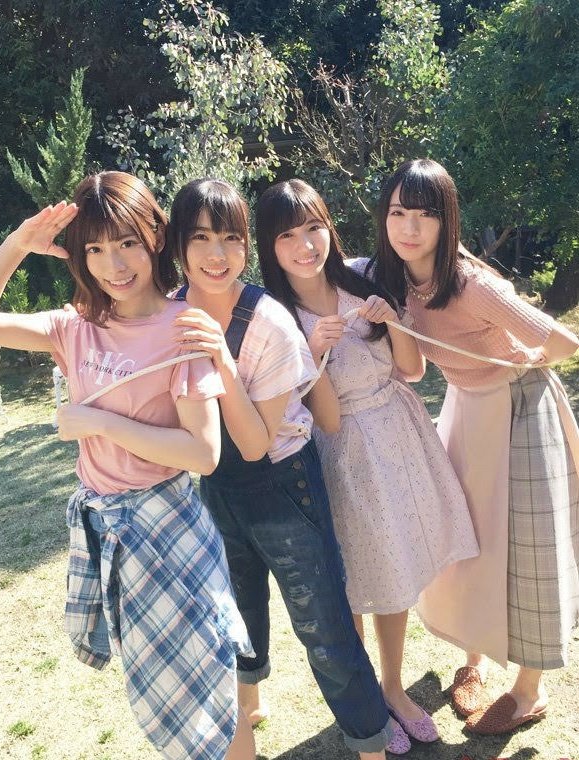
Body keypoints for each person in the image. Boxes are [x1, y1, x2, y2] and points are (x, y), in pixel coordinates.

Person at [0, 171, 256, 760]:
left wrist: (100, 423)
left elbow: (203, 453)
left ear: (155, 236)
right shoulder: (76, 326)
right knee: (162, 688)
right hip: (110, 535)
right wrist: (17, 244)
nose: (115, 264)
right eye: (96, 249)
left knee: (207, 679)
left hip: (168, 528)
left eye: (127, 242)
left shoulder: (182, 330)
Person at [166, 177, 392, 759]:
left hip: (283, 481)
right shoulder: (170, 311)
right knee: (236, 607)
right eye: (200, 238)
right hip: (214, 485)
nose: (217, 255)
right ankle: (249, 704)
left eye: (230, 238)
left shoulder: (268, 321)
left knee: (325, 628)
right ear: (178, 245)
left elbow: (256, 443)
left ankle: (371, 744)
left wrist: (220, 356)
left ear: (247, 245)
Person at [255, 178, 479, 754]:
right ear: (269, 247)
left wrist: (393, 317)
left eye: (314, 228)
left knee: (395, 563)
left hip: (398, 433)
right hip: (339, 454)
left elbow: (412, 371)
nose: (306, 245)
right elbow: (322, 419)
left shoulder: (363, 276)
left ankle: (393, 686)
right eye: (287, 235)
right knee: (352, 581)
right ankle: (364, 703)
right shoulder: (275, 318)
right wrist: (313, 354)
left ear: (329, 227)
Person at [369, 157, 579, 735]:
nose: (409, 227)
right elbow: (413, 370)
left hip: (520, 407)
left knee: (528, 545)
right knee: (468, 537)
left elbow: (563, 341)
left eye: (425, 214)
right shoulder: (396, 281)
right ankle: (474, 661)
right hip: (466, 406)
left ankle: (529, 690)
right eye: (398, 213)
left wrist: (525, 362)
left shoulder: (473, 285)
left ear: (447, 219)